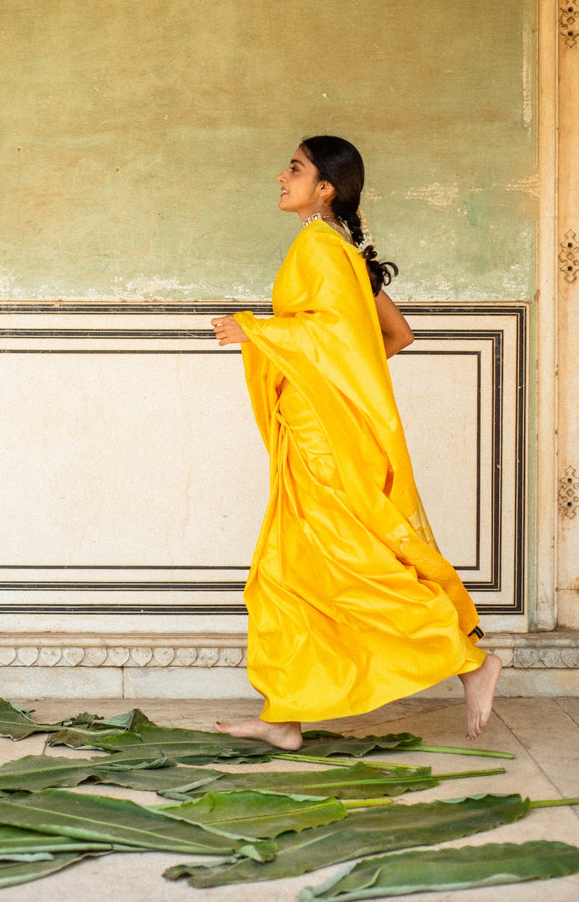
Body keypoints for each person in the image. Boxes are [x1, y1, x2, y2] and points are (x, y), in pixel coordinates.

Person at [211, 135, 501, 746]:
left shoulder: (318, 249)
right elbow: (389, 337)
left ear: (325, 188)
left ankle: (472, 662)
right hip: (318, 428)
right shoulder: (342, 253)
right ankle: (284, 717)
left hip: (321, 441)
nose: (280, 177)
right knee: (289, 571)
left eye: (294, 168)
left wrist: (253, 333)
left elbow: (333, 339)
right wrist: (348, 383)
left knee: (346, 567)